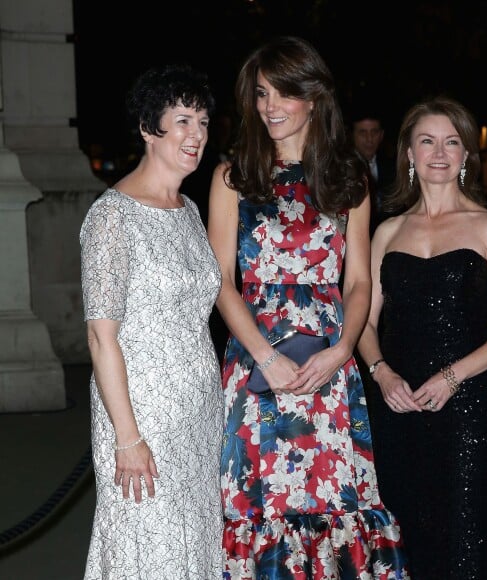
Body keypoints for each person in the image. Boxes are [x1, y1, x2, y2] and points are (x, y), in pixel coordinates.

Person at [207, 36, 410, 577]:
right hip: (256, 359)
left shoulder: (348, 178)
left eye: (283, 93)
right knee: (262, 500)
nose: (270, 106)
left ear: (314, 97)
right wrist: (265, 359)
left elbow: (360, 280)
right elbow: (221, 281)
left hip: (329, 363)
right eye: (260, 94)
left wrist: (344, 349)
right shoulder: (233, 178)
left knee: (332, 498)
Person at [357, 95, 487, 579]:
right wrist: (382, 372)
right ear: (409, 154)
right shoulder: (387, 232)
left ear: (466, 156)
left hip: (470, 403)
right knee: (405, 529)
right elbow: (365, 324)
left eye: (451, 142)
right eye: (427, 141)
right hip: (399, 403)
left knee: (467, 534)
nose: (439, 151)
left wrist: (453, 376)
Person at [79, 63, 224, 579]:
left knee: (195, 545)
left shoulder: (187, 209)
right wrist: (127, 438)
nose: (196, 135)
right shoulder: (112, 216)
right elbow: (101, 337)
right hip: (143, 419)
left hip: (200, 414)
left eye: (203, 122)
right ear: (148, 128)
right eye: (182, 120)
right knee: (150, 548)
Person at [350, 108, 396, 233]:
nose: (369, 139)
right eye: (362, 132)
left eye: (374, 132)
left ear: (381, 135)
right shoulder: (341, 171)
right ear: (352, 135)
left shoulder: (394, 168)